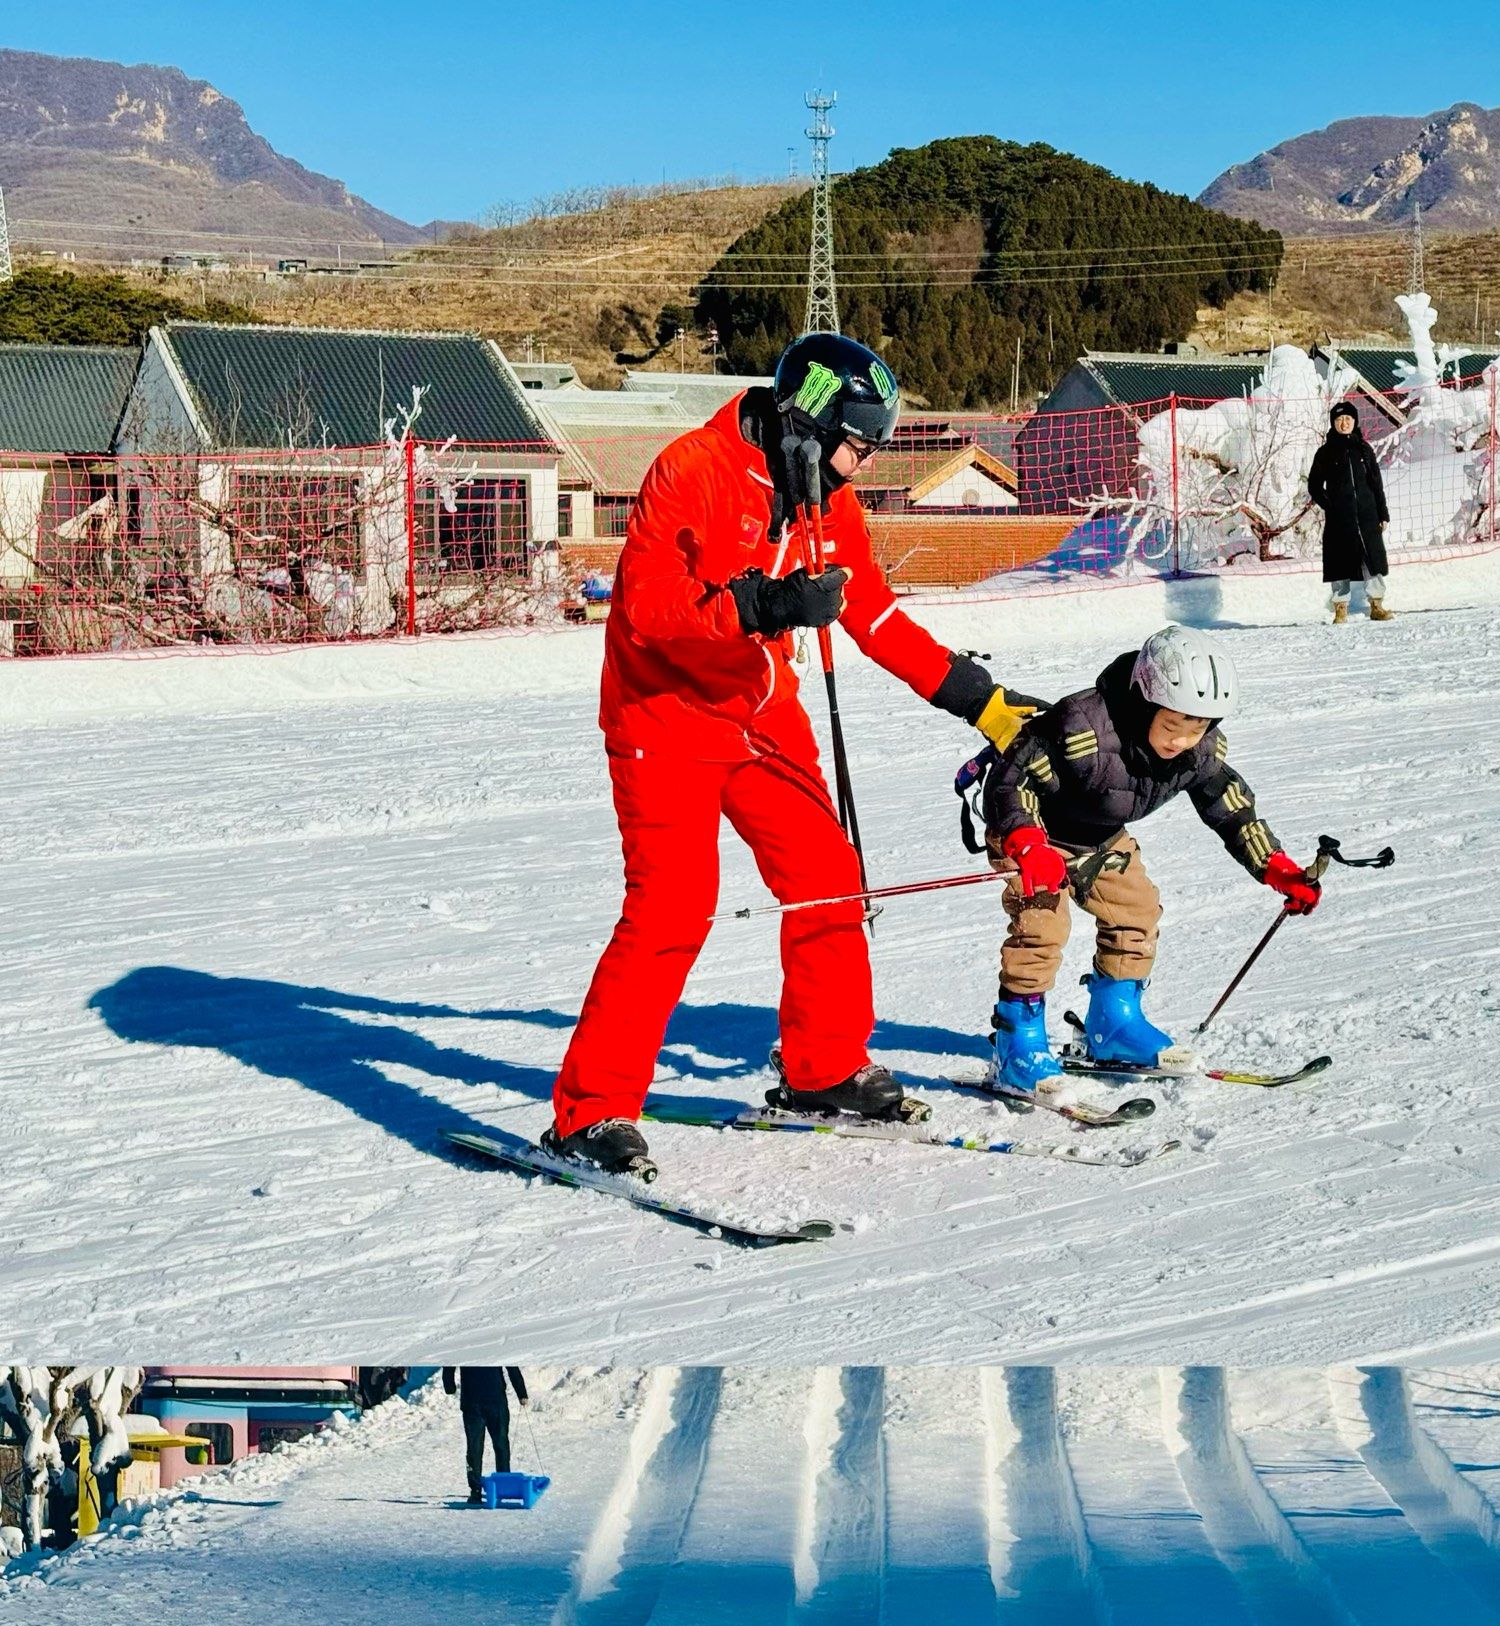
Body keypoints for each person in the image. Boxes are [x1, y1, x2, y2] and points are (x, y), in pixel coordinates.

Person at [546, 333, 1038, 1174]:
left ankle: (823, 1067)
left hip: (763, 716)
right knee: (672, 910)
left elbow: (873, 616)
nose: (864, 464)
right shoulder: (691, 470)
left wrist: (977, 699)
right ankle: (590, 1112)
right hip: (662, 721)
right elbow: (646, 609)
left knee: (829, 879)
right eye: (859, 444)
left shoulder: (826, 501)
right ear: (806, 420)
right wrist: (762, 603)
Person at [977, 628, 1323, 1093]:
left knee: (1136, 912)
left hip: (1101, 837)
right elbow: (1010, 781)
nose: (1183, 740)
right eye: (1174, 724)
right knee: (1042, 928)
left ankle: (1114, 1024)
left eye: (1198, 726)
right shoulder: (1081, 727)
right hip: (1032, 835)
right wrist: (1026, 842)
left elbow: (1229, 805)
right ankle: (1017, 1044)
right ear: (1145, 702)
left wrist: (1276, 866)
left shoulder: (1197, 751)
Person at [1305, 402, 1391, 625]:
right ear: (1333, 423)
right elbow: (1314, 485)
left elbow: (1376, 484)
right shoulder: (1325, 452)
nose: (1344, 423)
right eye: (1340, 420)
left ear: (1355, 422)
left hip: (1368, 516)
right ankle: (1340, 608)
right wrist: (1330, 506)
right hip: (1339, 519)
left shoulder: (1364, 450)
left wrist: (1382, 513)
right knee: (1340, 564)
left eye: (1348, 420)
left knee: (1371, 560)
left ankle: (1376, 605)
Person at [442, 1365, 528, 1505]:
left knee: (500, 1445)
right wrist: (449, 1385)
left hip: (495, 1402)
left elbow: (511, 1365)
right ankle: (475, 1490)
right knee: (475, 1449)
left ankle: (502, 1486)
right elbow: (450, 1362)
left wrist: (521, 1392)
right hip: (472, 1405)